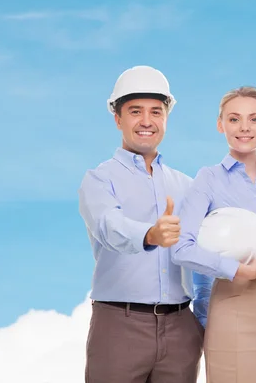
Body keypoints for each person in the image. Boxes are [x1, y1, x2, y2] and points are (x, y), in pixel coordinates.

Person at [78, 65, 211, 383]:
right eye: (135, 111)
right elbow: (109, 227)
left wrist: (202, 322)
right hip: (119, 326)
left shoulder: (187, 186)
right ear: (117, 118)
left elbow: (205, 257)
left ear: (166, 118)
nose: (147, 121)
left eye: (156, 111)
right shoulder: (99, 179)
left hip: (181, 327)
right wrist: (150, 234)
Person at [170, 86, 256, 383]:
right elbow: (181, 247)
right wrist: (235, 270)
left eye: (254, 119)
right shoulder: (208, 179)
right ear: (220, 125)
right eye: (234, 119)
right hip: (232, 305)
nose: (245, 127)